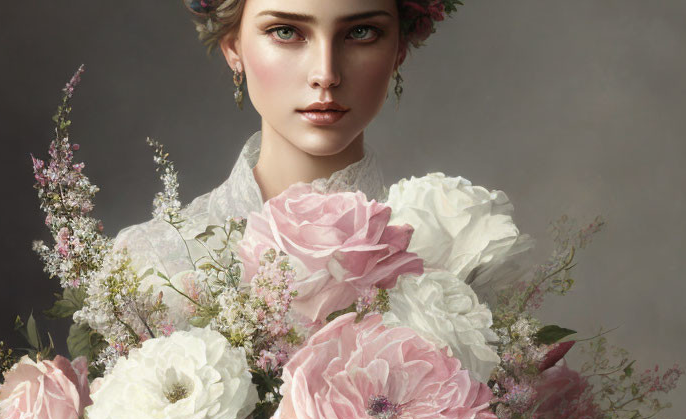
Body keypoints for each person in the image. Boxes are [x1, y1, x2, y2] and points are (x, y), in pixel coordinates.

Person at [113, 0, 462, 281]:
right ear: (233, 48)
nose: (325, 74)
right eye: (285, 31)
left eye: (360, 32)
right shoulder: (148, 263)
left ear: (399, 49)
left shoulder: (458, 257)